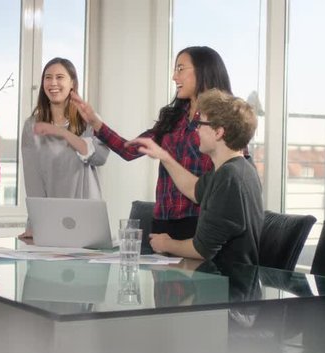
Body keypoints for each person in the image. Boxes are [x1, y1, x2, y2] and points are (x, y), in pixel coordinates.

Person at [72, 46, 244, 253]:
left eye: (181, 69)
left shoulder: (224, 120)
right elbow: (129, 150)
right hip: (162, 223)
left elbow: (233, 171)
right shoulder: (173, 118)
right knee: (162, 285)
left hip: (200, 223)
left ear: (203, 71)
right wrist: (96, 123)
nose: (174, 76)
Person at [128, 89, 263, 266]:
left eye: (201, 123)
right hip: (223, 283)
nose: (197, 129)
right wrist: (164, 156)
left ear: (218, 132)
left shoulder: (229, 176)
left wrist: (166, 243)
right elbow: (194, 189)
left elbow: (202, 249)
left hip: (227, 287)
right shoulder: (238, 169)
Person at [19, 58, 109, 238]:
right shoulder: (31, 126)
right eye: (48, 77)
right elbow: (33, 180)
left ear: (72, 84)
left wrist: (63, 133)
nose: (53, 83)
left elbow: (100, 157)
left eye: (60, 77)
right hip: (50, 219)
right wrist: (35, 222)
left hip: (87, 216)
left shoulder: (89, 119)